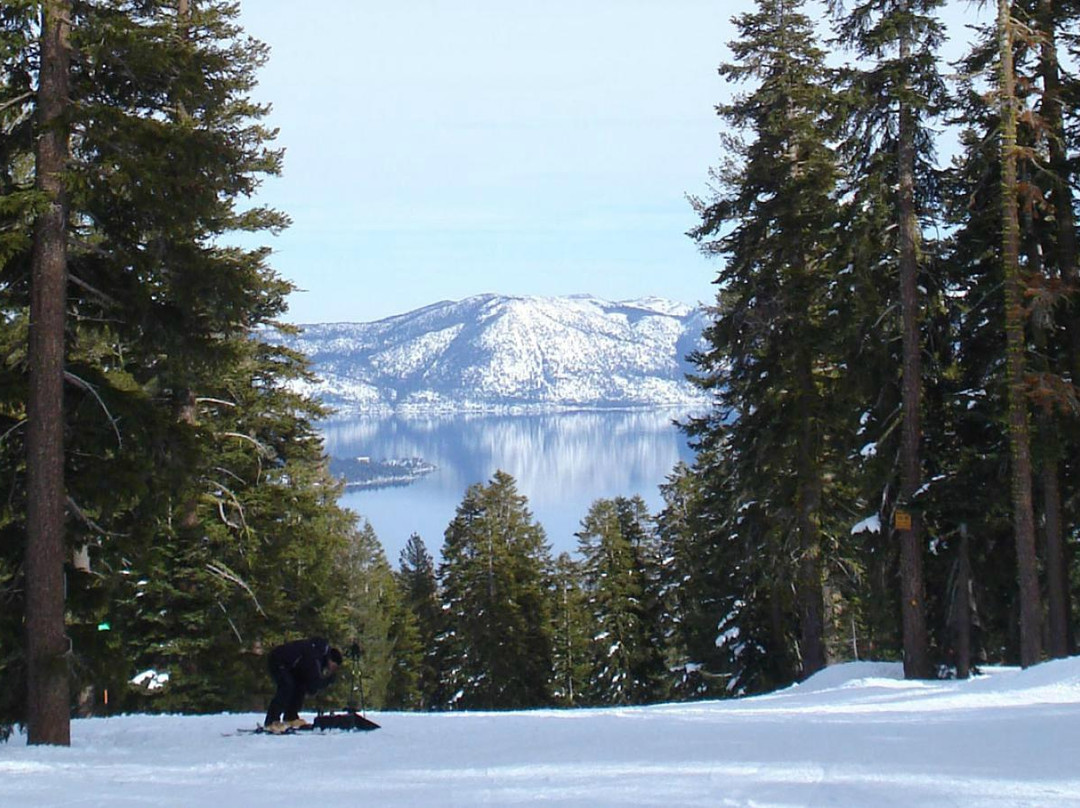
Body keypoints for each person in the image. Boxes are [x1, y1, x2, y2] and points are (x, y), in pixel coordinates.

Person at [263, 637, 343, 733]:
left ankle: (290, 717)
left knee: (300, 686)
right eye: (334, 666)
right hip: (278, 660)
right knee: (287, 686)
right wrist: (329, 680)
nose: (332, 669)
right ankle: (271, 721)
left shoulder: (319, 655)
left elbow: (309, 685)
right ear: (331, 660)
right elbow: (314, 685)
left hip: (289, 666)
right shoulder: (315, 656)